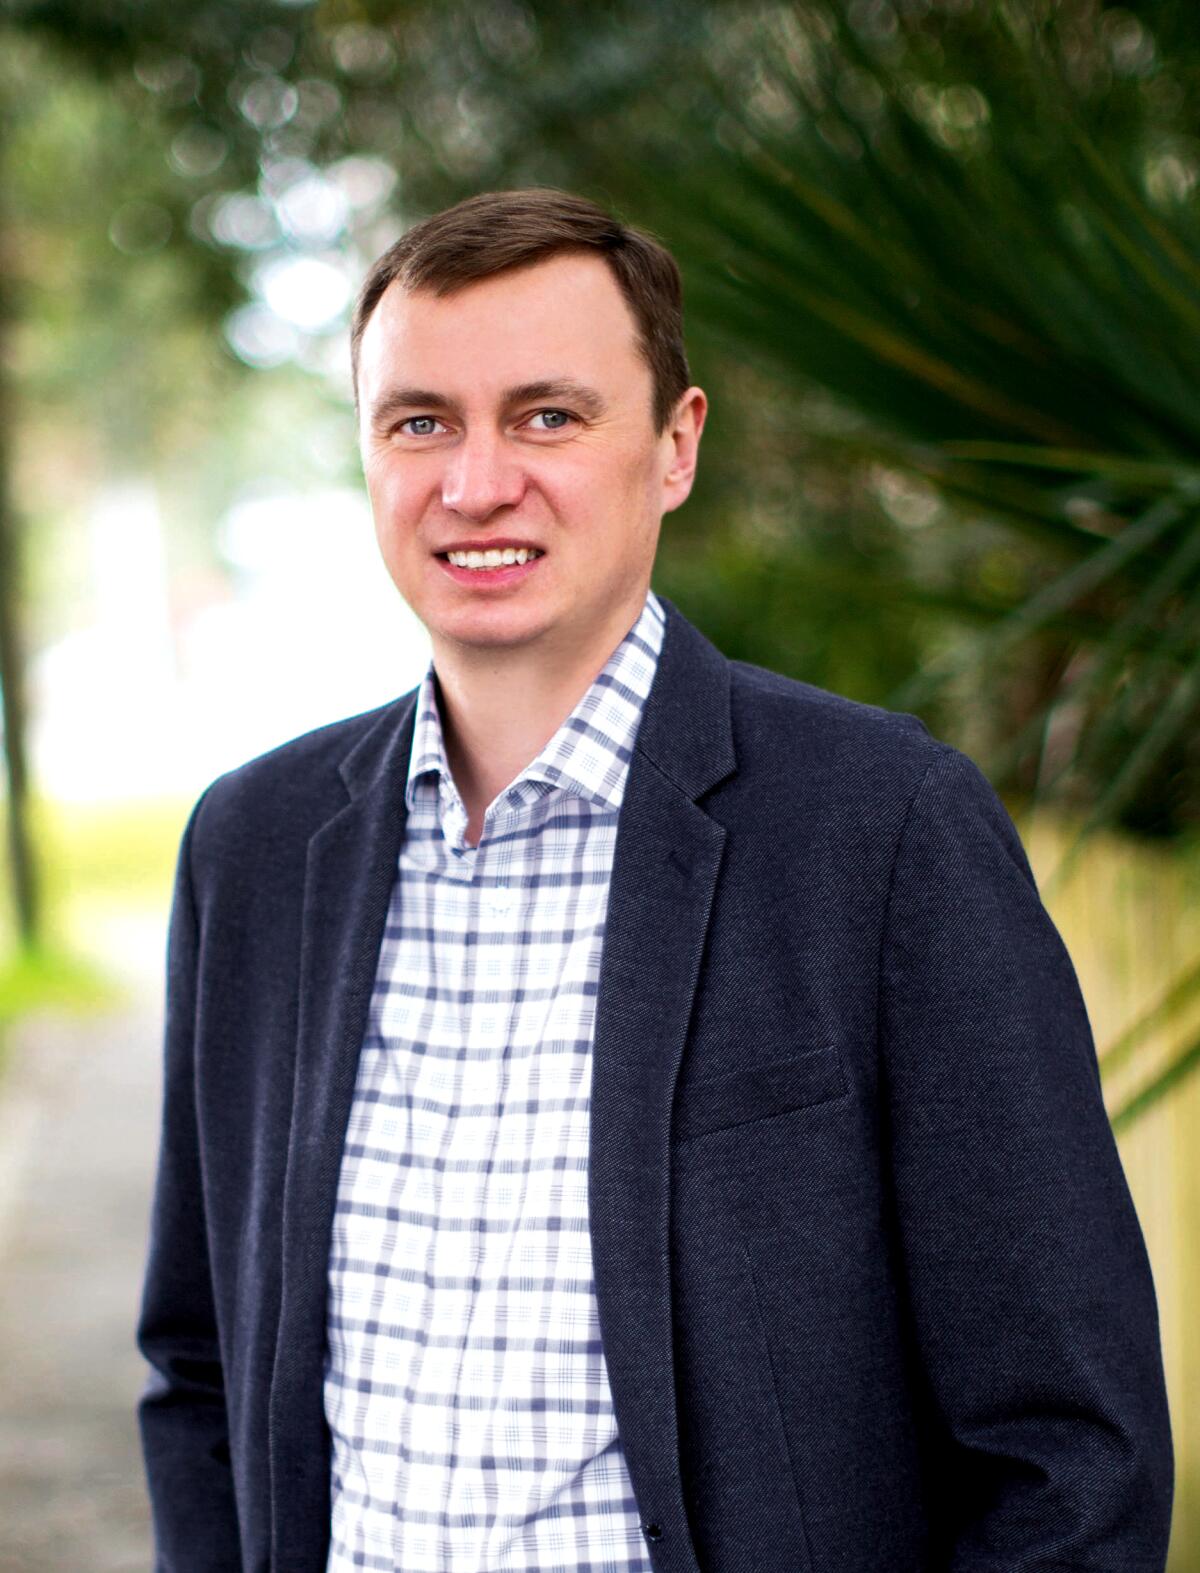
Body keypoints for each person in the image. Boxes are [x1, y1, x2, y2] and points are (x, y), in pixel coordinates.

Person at [137, 188, 1173, 1573]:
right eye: (421, 421)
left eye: (548, 416)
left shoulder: (884, 831)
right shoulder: (253, 850)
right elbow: (201, 1367)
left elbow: (1073, 1456)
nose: (476, 481)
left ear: (675, 449)